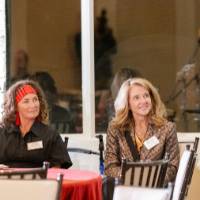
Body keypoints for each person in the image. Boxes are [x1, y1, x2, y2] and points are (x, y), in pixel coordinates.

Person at [105, 78, 180, 184]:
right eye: (136, 98)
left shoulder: (167, 128)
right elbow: (110, 167)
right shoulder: (116, 128)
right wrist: (134, 178)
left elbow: (173, 167)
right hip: (126, 190)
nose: (143, 101)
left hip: (156, 191)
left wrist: (150, 180)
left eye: (146, 96)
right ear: (128, 104)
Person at [0, 79, 72, 168]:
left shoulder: (50, 135)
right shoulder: (2, 133)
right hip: (6, 181)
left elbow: (59, 166)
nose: (33, 105)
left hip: (39, 181)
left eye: (35, 99)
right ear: (15, 107)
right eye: (26, 101)